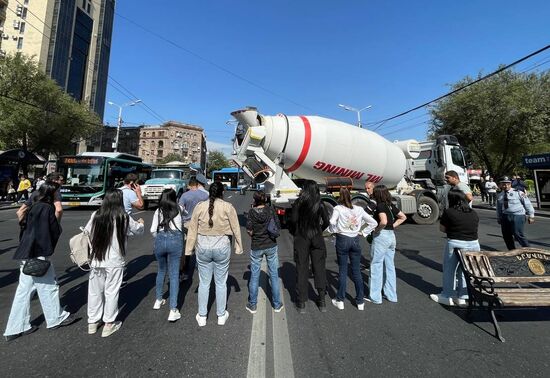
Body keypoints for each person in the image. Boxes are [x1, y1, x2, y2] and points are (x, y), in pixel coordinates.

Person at [4, 182, 76, 341]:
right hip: (38, 251)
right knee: (49, 286)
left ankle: (15, 327)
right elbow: (56, 222)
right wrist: (58, 204)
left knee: (24, 290)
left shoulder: (34, 205)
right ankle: (55, 318)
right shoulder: (47, 208)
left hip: (25, 250)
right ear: (53, 194)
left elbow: (20, 213)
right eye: (58, 192)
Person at [84, 189, 144, 337]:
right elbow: (137, 231)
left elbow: (87, 232)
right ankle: (109, 323)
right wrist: (141, 223)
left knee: (95, 291)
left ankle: (93, 322)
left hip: (97, 258)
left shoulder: (96, 214)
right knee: (112, 291)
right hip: (115, 260)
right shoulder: (123, 216)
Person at [185, 182, 243, 327]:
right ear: (222, 192)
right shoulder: (227, 207)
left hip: (203, 246)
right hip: (222, 246)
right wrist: (238, 247)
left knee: (204, 283)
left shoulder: (200, 206)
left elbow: (192, 229)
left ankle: (202, 316)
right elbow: (236, 228)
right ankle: (221, 315)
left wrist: (188, 249)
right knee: (221, 283)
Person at [329, 187, 377, 311]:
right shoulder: (359, 209)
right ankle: (360, 301)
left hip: (342, 239)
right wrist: (364, 232)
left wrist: (335, 231)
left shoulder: (338, 208)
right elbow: (373, 222)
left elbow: (332, 221)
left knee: (343, 270)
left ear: (339, 197)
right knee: (356, 271)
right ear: (350, 196)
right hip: (355, 240)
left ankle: (340, 300)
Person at [430, 189, 480, 307]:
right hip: (473, 244)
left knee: (449, 270)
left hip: (456, 243)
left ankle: (447, 295)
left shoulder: (449, 212)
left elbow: (442, 229)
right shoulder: (473, 212)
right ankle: (462, 296)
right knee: (464, 270)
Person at [289, 180, 330, 313]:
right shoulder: (320, 203)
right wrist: (319, 229)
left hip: (302, 237)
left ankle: (301, 303)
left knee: (302, 268)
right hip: (316, 236)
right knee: (319, 268)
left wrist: (295, 232)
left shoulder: (298, 203)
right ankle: (322, 300)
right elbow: (327, 222)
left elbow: (294, 220)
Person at [366, 185, 407, 304]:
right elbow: (402, 217)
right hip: (391, 236)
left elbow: (383, 221)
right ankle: (391, 295)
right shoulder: (390, 205)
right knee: (389, 266)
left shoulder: (380, 206)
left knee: (376, 265)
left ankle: (375, 297)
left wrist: (377, 230)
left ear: (377, 194)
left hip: (381, 236)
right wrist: (392, 226)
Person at [245, 190, 283, 314]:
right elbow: (278, 226)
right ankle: (277, 304)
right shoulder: (270, 210)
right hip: (271, 245)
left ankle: (253, 305)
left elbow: (249, 231)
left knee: (254, 276)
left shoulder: (251, 212)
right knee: (274, 276)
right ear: (265, 199)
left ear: (255, 199)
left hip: (257, 246)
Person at [150, 189, 184, 322]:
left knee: (161, 270)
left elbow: (153, 230)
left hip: (160, 240)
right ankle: (173, 309)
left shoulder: (158, 211)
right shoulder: (179, 208)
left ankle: (158, 300)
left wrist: (160, 238)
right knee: (174, 274)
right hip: (175, 241)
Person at [178, 174, 209, 281]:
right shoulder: (205, 195)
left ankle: (184, 272)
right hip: (200, 223)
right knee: (200, 247)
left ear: (190, 185)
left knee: (186, 248)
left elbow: (180, 210)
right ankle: (202, 269)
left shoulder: (185, 196)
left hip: (187, 224)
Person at [496, 176, 535, 250]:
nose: (506, 186)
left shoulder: (519, 193)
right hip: (505, 216)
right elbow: (499, 208)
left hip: (518, 215)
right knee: (506, 235)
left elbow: (527, 204)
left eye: (508, 184)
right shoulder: (500, 195)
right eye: (503, 184)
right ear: (500, 185)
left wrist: (531, 215)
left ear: (510, 184)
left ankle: (528, 250)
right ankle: (512, 251)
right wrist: (499, 217)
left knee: (517, 234)